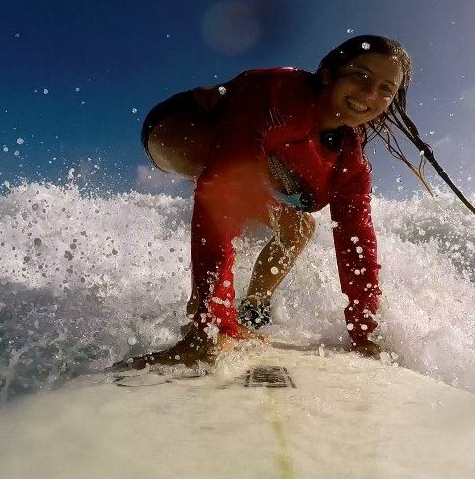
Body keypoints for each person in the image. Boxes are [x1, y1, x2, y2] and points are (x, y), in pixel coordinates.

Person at [132, 35, 413, 368]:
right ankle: (206, 319)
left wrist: (364, 334)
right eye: (360, 76)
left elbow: (357, 246)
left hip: (264, 147)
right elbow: (224, 189)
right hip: (178, 128)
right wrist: (210, 328)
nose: (370, 95)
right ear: (328, 74)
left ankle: (251, 315)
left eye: (385, 89)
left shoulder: (351, 164)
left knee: (299, 227)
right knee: (230, 180)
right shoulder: (277, 91)